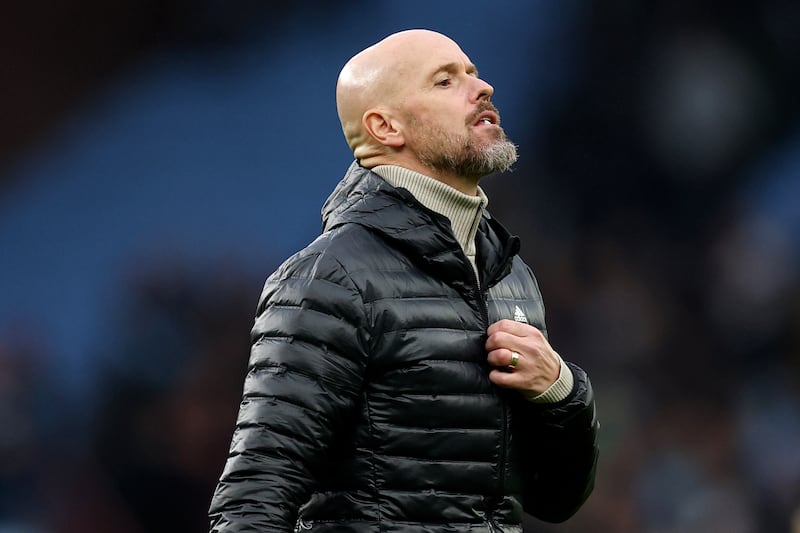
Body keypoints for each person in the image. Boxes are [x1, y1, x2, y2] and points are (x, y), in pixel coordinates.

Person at [209, 28, 599, 533]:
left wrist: (562, 393)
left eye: (474, 73)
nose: (483, 89)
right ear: (385, 126)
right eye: (445, 81)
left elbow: (557, 499)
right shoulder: (330, 277)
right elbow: (252, 500)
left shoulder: (510, 276)